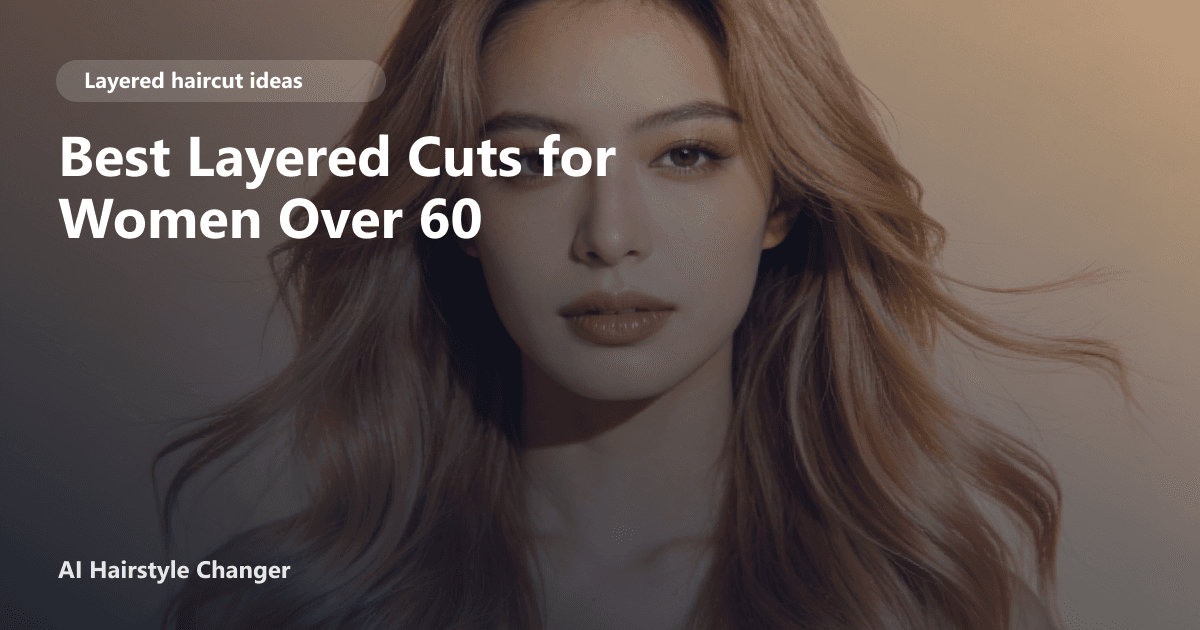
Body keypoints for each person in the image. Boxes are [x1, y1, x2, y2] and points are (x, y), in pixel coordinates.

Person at [157, 0, 1130, 628]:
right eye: (530, 162)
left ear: (782, 201)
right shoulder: (281, 608)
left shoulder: (932, 608)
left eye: (686, 155)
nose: (609, 238)